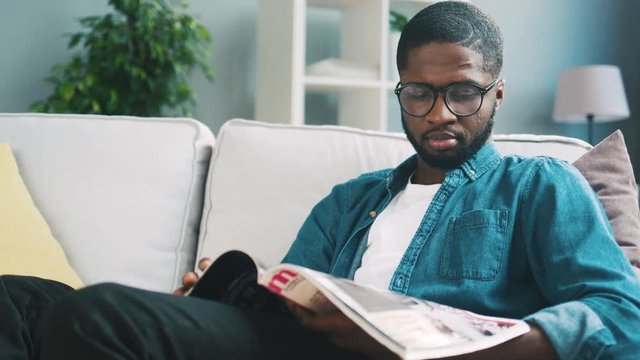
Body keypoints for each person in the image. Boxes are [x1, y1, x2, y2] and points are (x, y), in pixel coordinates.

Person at [2, 1, 639, 359]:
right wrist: (233, 294)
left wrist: (487, 347)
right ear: (400, 92)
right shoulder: (351, 201)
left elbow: (623, 317)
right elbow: (293, 298)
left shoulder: (539, 186)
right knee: (19, 297)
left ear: (496, 94)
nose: (440, 113)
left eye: (463, 93)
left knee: (96, 318)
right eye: (419, 93)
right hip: (294, 347)